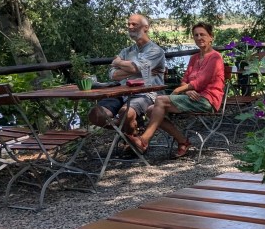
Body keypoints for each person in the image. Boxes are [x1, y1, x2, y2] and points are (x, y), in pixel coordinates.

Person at [127, 22, 225, 157]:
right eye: (196, 35)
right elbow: (185, 80)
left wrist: (179, 90)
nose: (199, 37)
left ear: (211, 37)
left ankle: (143, 140)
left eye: (202, 34)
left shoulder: (215, 57)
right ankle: (183, 141)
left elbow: (201, 82)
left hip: (207, 100)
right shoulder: (194, 58)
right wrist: (186, 90)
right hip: (191, 97)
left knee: (160, 100)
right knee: (150, 110)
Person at [87, 13, 166, 137]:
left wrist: (118, 62)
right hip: (121, 92)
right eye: (128, 24)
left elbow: (134, 67)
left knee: (126, 113)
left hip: (146, 93)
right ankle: (128, 130)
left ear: (146, 28)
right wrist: (138, 69)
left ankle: (132, 139)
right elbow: (113, 75)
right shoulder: (126, 51)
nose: (130, 27)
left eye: (134, 24)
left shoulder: (155, 50)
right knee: (95, 114)